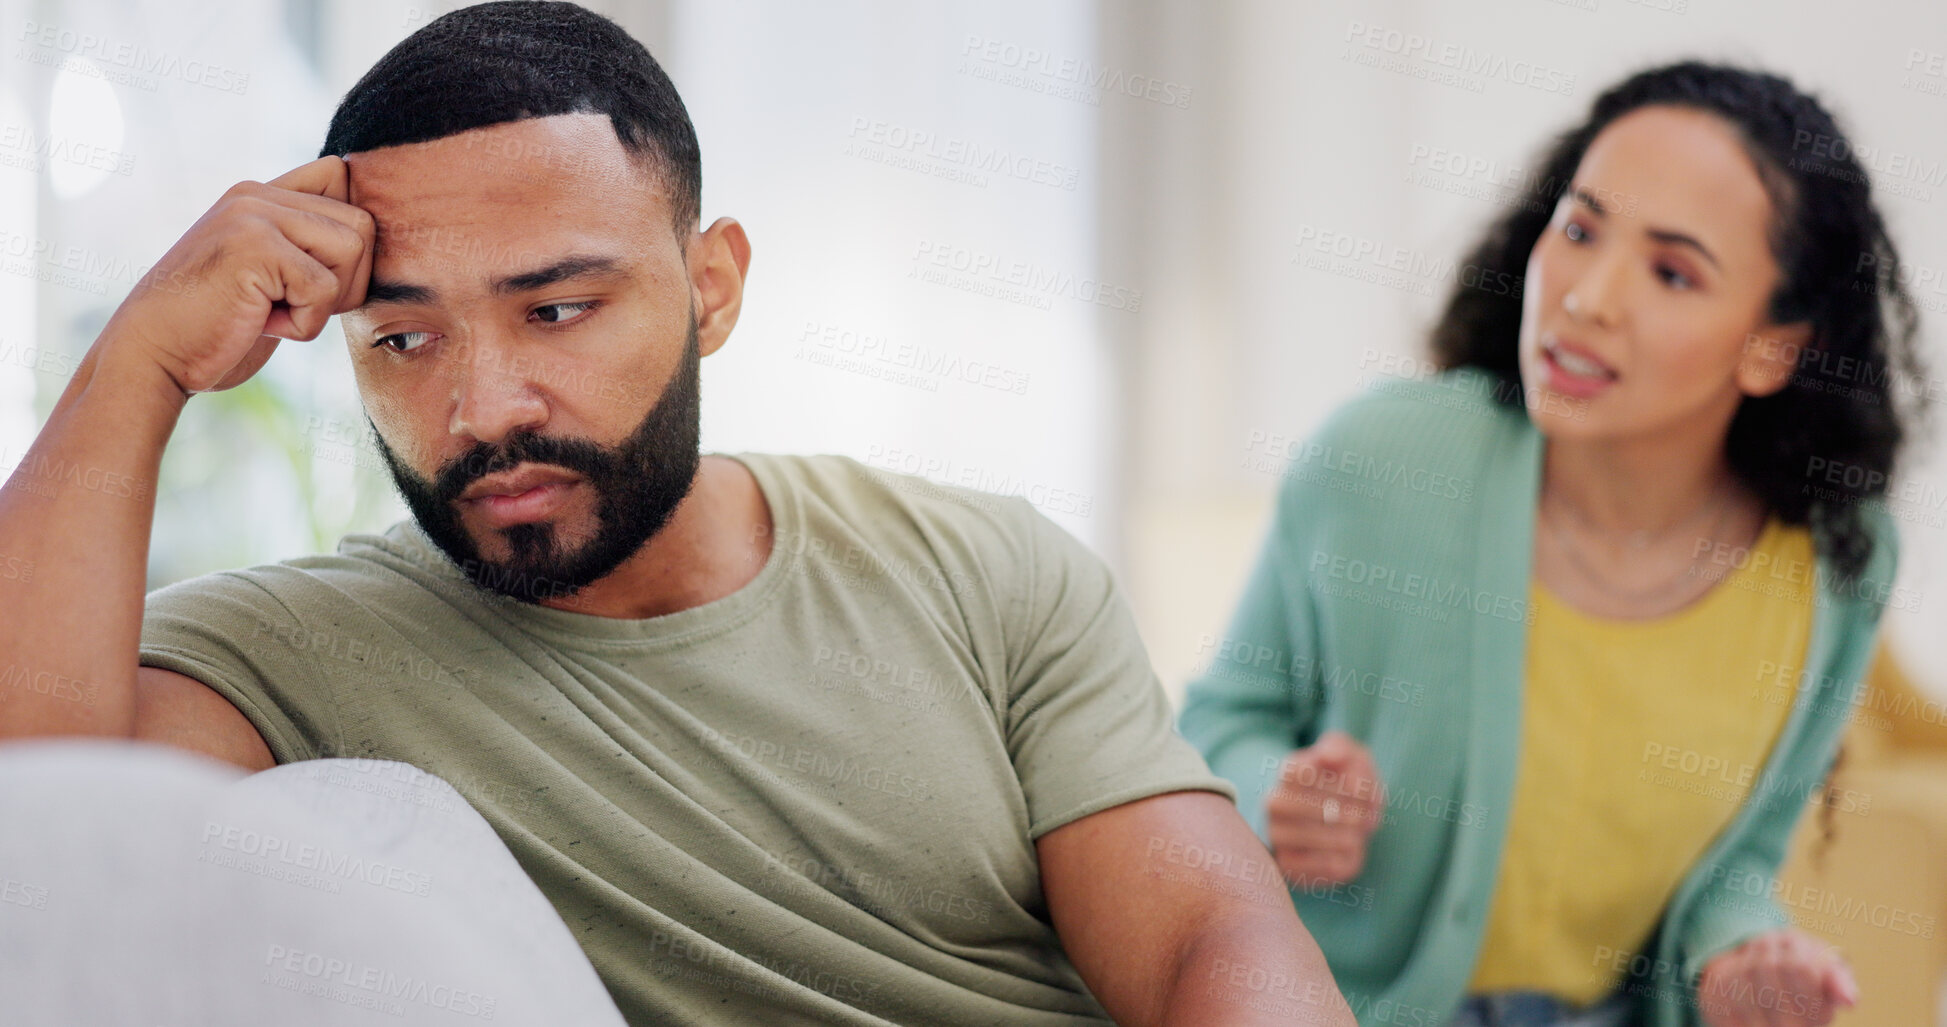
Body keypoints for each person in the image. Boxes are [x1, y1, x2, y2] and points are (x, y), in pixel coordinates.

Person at [0, 3, 1354, 1025]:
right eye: (402, 340)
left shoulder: (980, 567)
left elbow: (1210, 941)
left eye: (559, 309)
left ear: (710, 285)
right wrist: (139, 365)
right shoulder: (294, 655)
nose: (482, 406)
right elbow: (39, 846)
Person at [1179, 60, 1927, 1027]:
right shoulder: (1379, 460)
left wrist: (1739, 956)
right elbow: (1211, 729)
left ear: (1770, 348)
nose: (1585, 297)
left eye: (1670, 271)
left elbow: (1737, 869)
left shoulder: (1835, 559)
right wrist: (1270, 796)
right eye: (1578, 229)